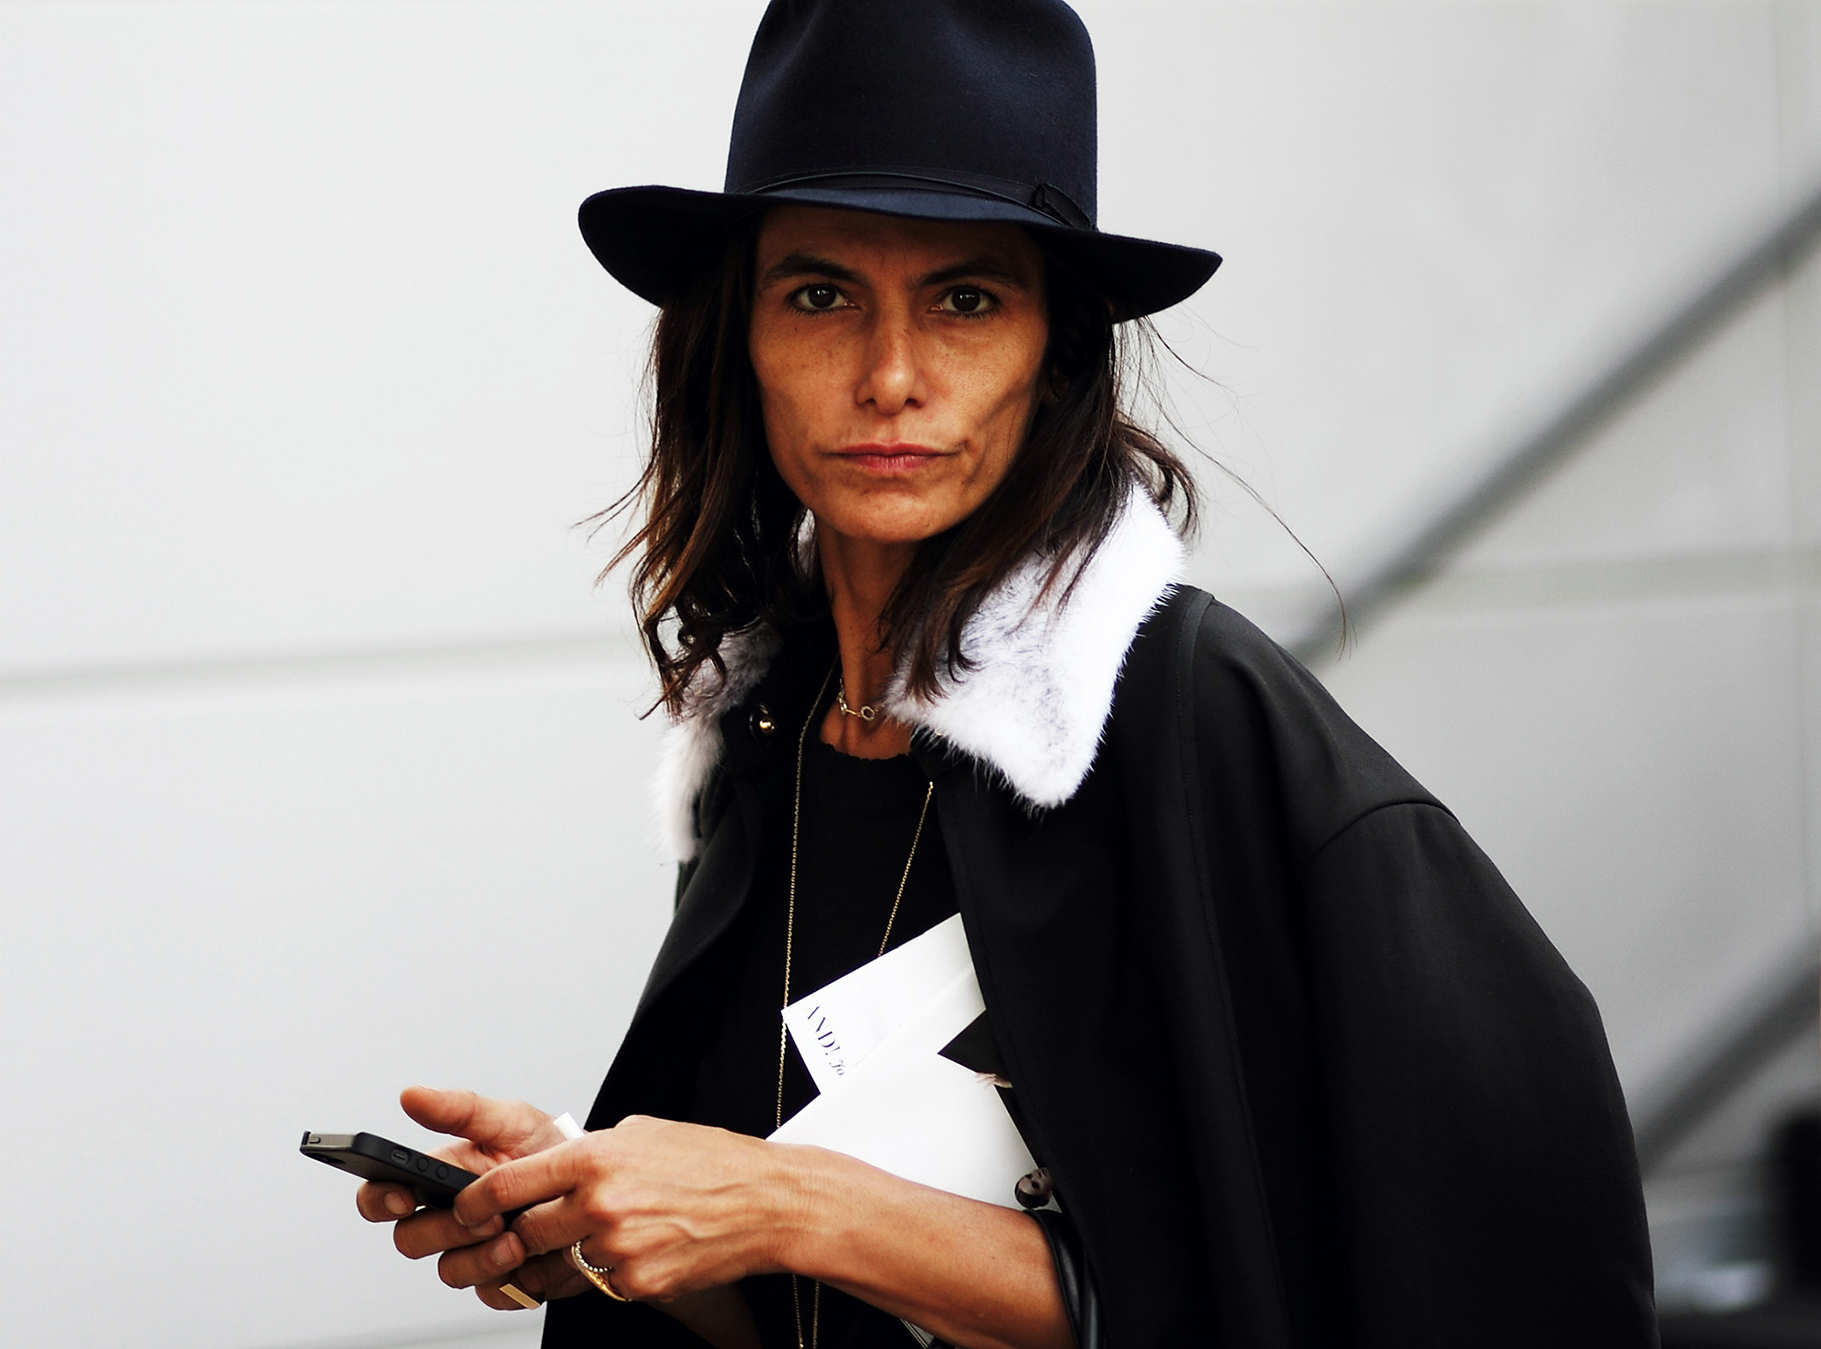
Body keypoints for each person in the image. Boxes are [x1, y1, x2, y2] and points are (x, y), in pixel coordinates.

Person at [354, 3, 1659, 1347]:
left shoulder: (1194, 716)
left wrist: (789, 1202)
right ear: (736, 343)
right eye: (820, 296)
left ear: (1057, 353)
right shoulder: (762, 736)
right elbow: (817, 1319)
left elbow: (1464, 1268)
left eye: (967, 300)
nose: (890, 376)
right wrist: (621, 1225)